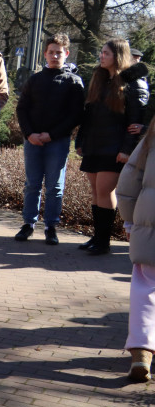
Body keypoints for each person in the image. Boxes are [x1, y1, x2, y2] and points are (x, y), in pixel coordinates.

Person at [75, 38, 149, 255]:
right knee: (96, 192)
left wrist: (126, 150)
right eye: (102, 52)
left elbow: (135, 121)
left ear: (118, 55)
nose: (101, 56)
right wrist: (81, 142)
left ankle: (103, 242)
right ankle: (97, 237)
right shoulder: (100, 78)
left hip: (115, 147)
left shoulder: (133, 83)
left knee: (105, 191)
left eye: (106, 53)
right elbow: (90, 115)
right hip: (95, 145)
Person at [13, 33, 85, 245]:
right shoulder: (34, 79)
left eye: (59, 52)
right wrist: (29, 134)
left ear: (66, 54)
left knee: (55, 186)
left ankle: (51, 226)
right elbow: (22, 108)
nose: (55, 56)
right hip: (33, 140)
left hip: (58, 141)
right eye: (51, 52)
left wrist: (51, 135)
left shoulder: (73, 82)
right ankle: (28, 224)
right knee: (32, 184)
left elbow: (76, 115)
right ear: (45, 53)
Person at [115, 119, 154, 381]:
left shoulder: (152, 137)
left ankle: (141, 350)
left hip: (149, 221)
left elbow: (129, 180)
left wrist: (129, 220)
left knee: (146, 286)